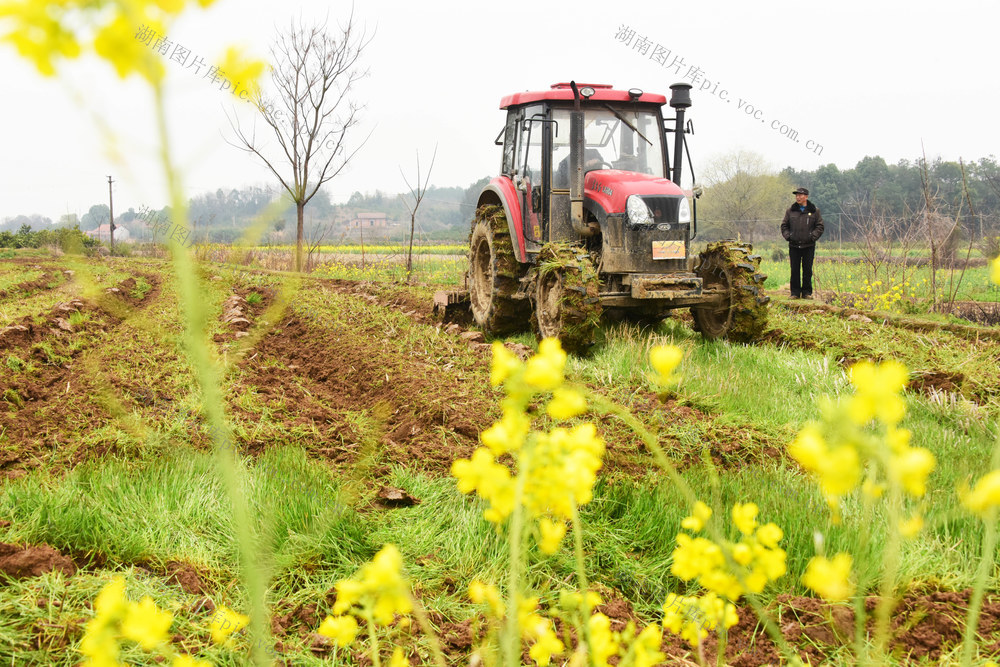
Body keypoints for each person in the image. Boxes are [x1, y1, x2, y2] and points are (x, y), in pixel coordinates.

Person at [780, 187, 824, 299]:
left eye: (800, 195)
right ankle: (794, 293)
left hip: (809, 246)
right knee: (794, 270)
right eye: (797, 195)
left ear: (806, 197)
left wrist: (812, 237)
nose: (798, 197)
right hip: (794, 245)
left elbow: (820, 226)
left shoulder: (814, 211)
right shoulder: (790, 211)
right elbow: (784, 226)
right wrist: (788, 236)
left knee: (807, 270)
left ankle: (806, 293)